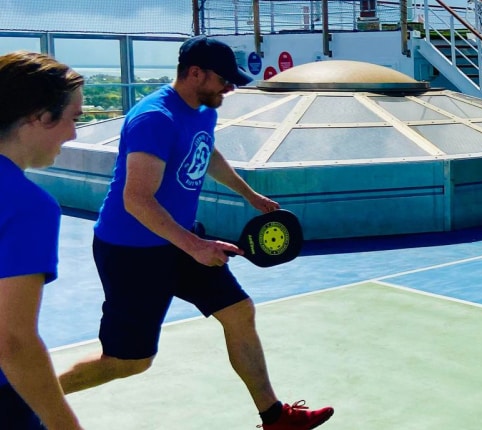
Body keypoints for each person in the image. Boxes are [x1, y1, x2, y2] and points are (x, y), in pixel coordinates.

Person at [55, 36, 334, 429]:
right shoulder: (155, 119)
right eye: (224, 78)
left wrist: (248, 194)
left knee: (238, 311)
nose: (230, 87)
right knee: (127, 362)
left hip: (181, 240)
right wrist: (195, 246)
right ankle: (22, 394)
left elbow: (207, 152)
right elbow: (137, 199)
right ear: (195, 73)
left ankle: (275, 418)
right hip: (133, 252)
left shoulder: (203, 109)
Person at [0, 51, 85, 430]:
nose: (74, 134)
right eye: (72, 119)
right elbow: (12, 341)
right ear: (39, 116)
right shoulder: (28, 206)